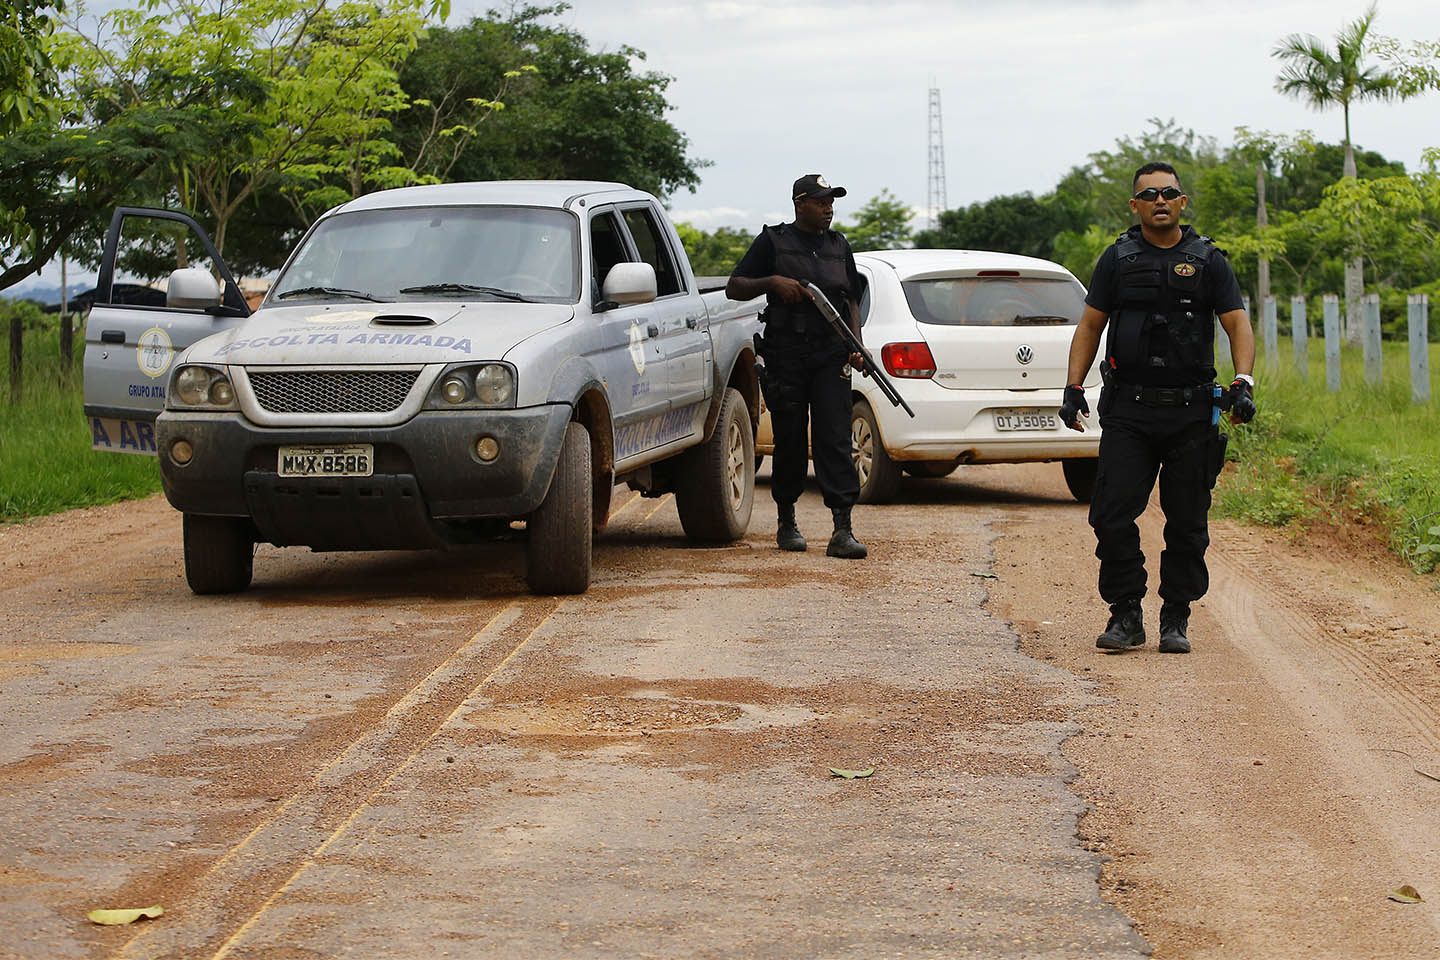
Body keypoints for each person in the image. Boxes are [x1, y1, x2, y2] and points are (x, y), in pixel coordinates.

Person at [1059, 161, 1257, 654]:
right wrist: (1072, 387)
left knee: (1187, 520)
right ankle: (1126, 614)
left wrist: (1243, 382)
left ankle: (1176, 616)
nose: (1160, 200)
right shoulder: (1117, 259)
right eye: (1149, 195)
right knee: (1110, 514)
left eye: (1169, 192)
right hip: (1129, 409)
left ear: (1182, 201)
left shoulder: (1210, 261)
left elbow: (1236, 322)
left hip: (1191, 412)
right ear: (1135, 205)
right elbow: (1089, 327)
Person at [727, 174, 868, 559]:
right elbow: (734, 285)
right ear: (799, 204)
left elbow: (851, 300)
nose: (829, 208)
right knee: (789, 439)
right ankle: (787, 520)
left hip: (830, 355)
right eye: (821, 202)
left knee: (835, 438)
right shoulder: (774, 241)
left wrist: (856, 344)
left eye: (832, 202)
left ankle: (842, 529)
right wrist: (773, 282)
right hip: (786, 354)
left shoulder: (840, 246)